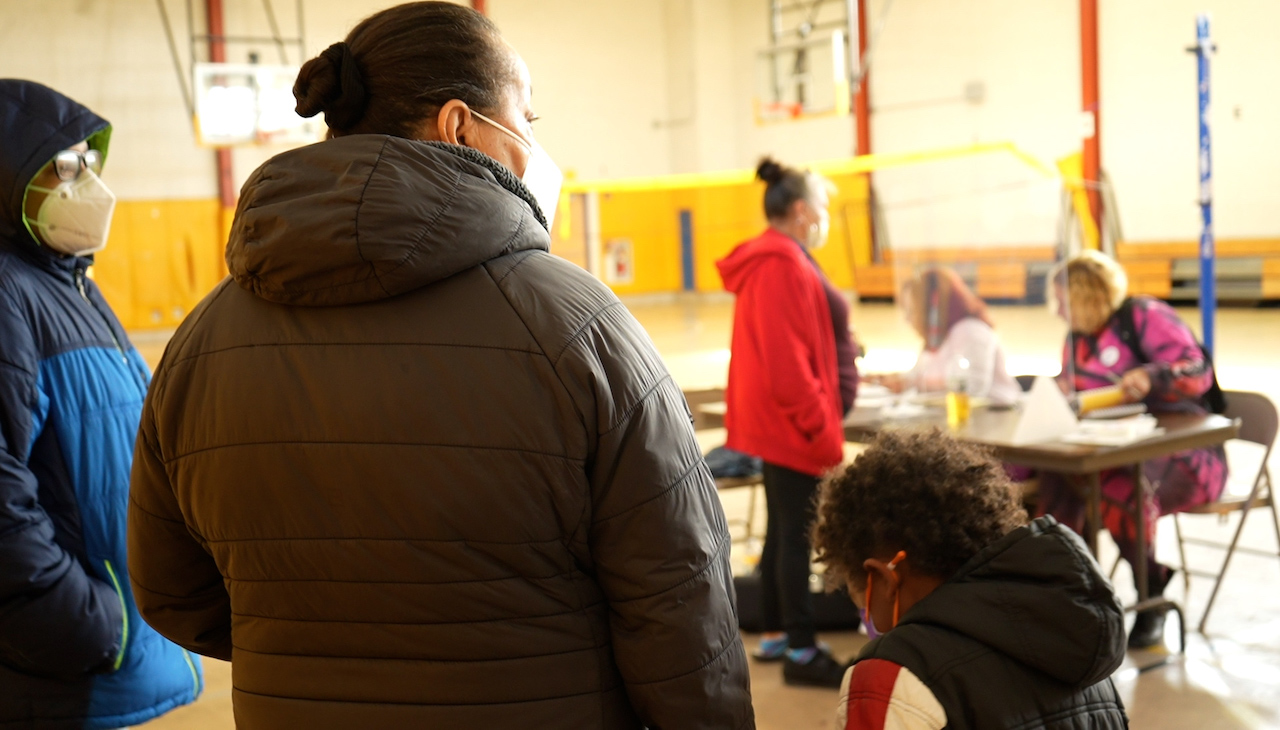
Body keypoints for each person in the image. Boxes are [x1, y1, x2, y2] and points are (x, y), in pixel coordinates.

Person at [125, 4, 752, 728]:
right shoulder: (576, 324)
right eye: (528, 118)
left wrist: (326, 654)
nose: (536, 146)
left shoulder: (202, 339)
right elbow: (678, 601)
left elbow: (172, 589)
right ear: (459, 126)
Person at [0, 80, 202, 728]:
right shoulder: (8, 289)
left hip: (111, 658)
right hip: (66, 667)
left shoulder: (70, 285)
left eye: (90, 163)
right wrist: (85, 622)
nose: (90, 184)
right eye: (65, 167)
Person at [812, 429, 1129, 730]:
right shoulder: (1074, 639)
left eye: (864, 604)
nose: (872, 626)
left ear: (884, 578)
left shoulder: (891, 675)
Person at [1038, 249, 1227, 648]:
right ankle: (1066, 596)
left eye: (1062, 300)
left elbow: (1197, 370)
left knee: (1120, 489)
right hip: (1115, 449)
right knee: (1054, 482)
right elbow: (1075, 393)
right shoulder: (1076, 341)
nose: (1057, 311)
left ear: (1087, 295)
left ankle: (1150, 594)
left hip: (1185, 450)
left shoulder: (1142, 316)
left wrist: (1152, 377)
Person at [716, 157, 857, 688]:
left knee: (782, 529)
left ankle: (776, 629)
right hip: (792, 426)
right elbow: (787, 366)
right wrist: (823, 430)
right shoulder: (781, 264)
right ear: (801, 211)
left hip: (778, 423)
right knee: (799, 534)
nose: (823, 216)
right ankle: (802, 649)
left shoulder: (780, 259)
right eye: (821, 207)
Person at [870, 267, 1020, 404]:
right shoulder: (937, 339)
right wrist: (894, 379)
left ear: (930, 310)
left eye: (911, 311)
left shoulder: (970, 331)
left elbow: (972, 387)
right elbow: (920, 374)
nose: (907, 319)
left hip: (993, 420)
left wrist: (913, 383)